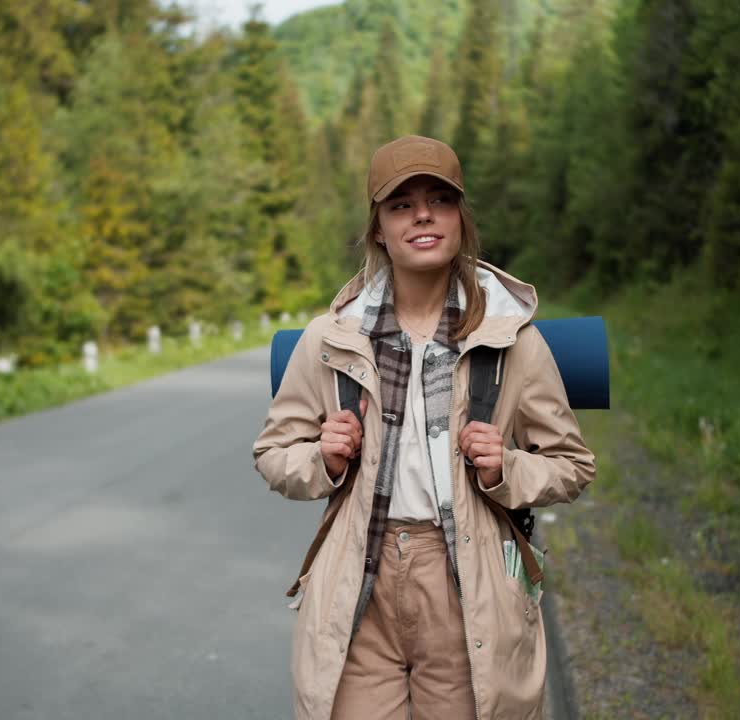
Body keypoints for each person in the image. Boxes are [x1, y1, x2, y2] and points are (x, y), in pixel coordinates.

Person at [252, 135, 596, 720]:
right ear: (379, 230)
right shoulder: (331, 339)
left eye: (439, 199)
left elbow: (572, 464)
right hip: (360, 579)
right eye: (400, 204)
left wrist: (505, 467)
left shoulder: (511, 339)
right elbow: (274, 453)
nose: (422, 216)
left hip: (465, 584)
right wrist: (324, 460)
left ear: (461, 217)